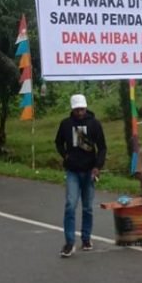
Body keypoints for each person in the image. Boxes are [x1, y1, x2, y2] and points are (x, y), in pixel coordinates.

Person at [54, 94, 107, 258]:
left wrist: (98, 166)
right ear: (72, 109)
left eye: (82, 109)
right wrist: (65, 155)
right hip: (72, 171)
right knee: (70, 204)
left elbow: (102, 147)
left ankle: (86, 238)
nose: (80, 112)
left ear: (86, 108)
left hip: (89, 170)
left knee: (88, 207)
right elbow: (58, 142)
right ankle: (70, 242)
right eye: (77, 109)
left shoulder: (94, 124)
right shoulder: (66, 124)